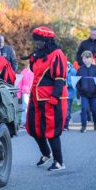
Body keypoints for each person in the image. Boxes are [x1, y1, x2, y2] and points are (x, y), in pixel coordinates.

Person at [26, 26, 68, 171]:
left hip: (51, 99)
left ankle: (59, 162)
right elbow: (34, 71)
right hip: (36, 97)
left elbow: (60, 78)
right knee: (32, 128)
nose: (37, 43)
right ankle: (46, 153)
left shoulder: (57, 54)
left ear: (47, 41)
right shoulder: (38, 54)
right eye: (36, 41)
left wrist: (54, 97)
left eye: (40, 41)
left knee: (51, 130)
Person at [76, 50, 96, 132]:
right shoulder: (80, 70)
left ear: (91, 59)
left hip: (94, 94)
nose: (85, 60)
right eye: (84, 58)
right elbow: (77, 81)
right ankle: (83, 126)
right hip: (84, 94)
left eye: (87, 58)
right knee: (84, 109)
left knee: (93, 110)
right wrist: (79, 91)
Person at [16, 61, 34, 129]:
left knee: (32, 108)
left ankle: (31, 122)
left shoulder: (34, 71)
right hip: (25, 92)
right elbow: (19, 83)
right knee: (25, 107)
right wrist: (18, 94)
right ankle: (23, 122)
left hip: (32, 92)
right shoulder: (23, 72)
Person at [64, 61, 77, 131]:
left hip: (70, 94)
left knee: (67, 109)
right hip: (62, 94)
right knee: (63, 109)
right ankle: (63, 124)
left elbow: (74, 83)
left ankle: (66, 125)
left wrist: (68, 84)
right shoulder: (62, 70)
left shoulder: (73, 71)